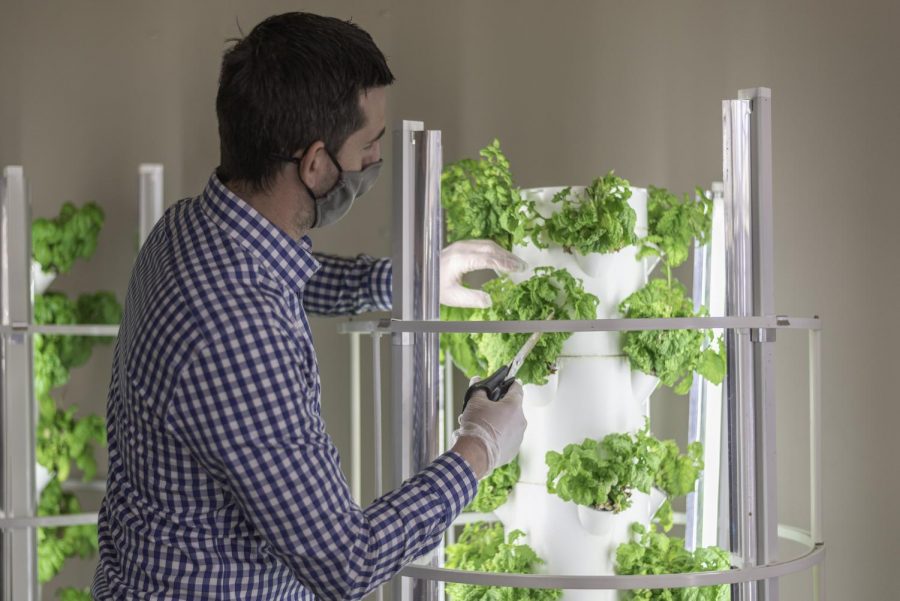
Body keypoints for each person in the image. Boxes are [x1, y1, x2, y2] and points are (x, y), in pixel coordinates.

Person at [91, 11, 528, 600]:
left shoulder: (189, 230)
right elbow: (344, 563)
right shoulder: (237, 331)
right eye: (370, 143)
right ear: (317, 164)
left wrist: (411, 278)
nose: (377, 159)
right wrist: (478, 448)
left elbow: (284, 279)